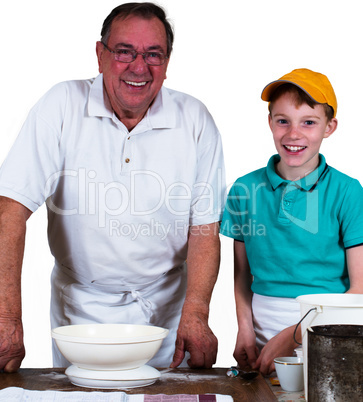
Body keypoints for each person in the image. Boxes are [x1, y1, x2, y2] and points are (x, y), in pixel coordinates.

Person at [0, 2, 225, 372]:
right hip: (81, 311)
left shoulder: (195, 119)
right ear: (100, 55)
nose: (139, 67)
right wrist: (7, 319)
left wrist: (197, 313)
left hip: (166, 312)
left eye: (154, 54)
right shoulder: (61, 105)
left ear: (167, 62)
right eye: (124, 52)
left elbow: (204, 228)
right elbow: (10, 211)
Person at [220, 68, 363, 376]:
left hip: (330, 335)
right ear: (270, 122)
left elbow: (360, 288)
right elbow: (242, 276)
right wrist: (245, 330)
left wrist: (296, 334)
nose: (293, 134)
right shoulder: (245, 190)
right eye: (282, 120)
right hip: (263, 344)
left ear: (329, 127)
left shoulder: (348, 192)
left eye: (309, 122)